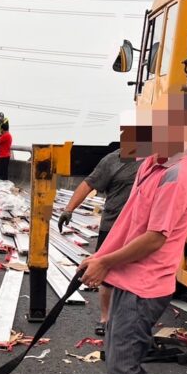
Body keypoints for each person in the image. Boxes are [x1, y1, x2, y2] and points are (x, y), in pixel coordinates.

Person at [77, 92, 187, 374]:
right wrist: (101, 257)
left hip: (146, 285)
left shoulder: (177, 174)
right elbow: (129, 220)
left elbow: (153, 239)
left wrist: (107, 264)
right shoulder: (151, 162)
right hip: (126, 276)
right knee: (115, 360)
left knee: (124, 367)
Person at [57, 144, 141, 337]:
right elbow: (88, 184)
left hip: (138, 230)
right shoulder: (113, 160)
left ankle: (132, 321)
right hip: (112, 227)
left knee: (135, 274)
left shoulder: (154, 160)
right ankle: (105, 319)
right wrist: (69, 209)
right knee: (107, 276)